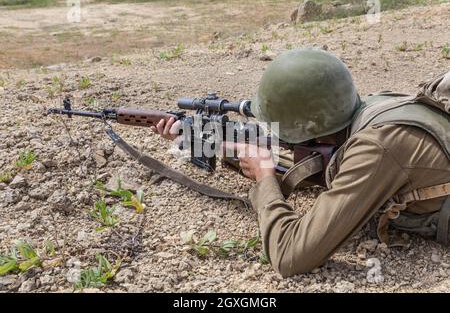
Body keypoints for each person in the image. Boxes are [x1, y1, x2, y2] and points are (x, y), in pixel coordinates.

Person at [151, 48, 450, 277]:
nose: (277, 136)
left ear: (307, 126)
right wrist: (206, 139)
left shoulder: (377, 147)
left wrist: (265, 180)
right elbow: (318, 162)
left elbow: (290, 255)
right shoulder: (369, 109)